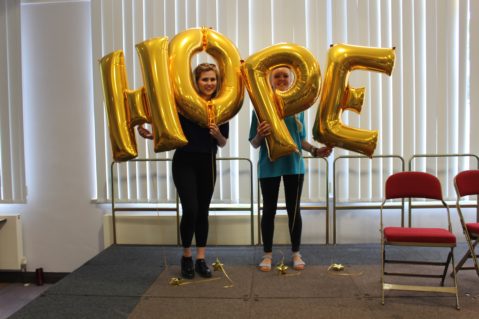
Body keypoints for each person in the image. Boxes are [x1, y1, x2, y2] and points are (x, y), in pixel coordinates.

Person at [138, 63, 228, 279]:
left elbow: (223, 142)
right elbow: (168, 130)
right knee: (191, 209)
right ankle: (186, 256)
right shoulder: (183, 105)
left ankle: (200, 258)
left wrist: (216, 133)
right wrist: (152, 135)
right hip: (184, 162)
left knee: (203, 210)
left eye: (212, 79)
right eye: (204, 79)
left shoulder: (222, 106)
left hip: (208, 162)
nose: (209, 83)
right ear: (196, 83)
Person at [249, 66, 333, 272]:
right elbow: (254, 142)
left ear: (292, 79)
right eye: (276, 76)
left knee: (294, 211)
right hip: (269, 166)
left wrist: (315, 150)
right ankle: (267, 255)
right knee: (268, 211)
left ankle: (296, 253)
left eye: (285, 75)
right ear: (269, 80)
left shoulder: (299, 108)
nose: (281, 79)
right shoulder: (260, 107)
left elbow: (300, 140)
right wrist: (260, 133)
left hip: (294, 166)